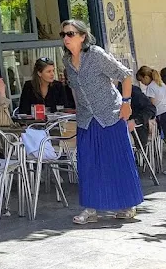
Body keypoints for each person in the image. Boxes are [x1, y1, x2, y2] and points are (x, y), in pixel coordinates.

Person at [59, 19, 143, 224]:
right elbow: (75, 89)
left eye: (70, 34)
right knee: (88, 164)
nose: (66, 38)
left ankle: (128, 205)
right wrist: (78, 110)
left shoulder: (95, 54)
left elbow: (125, 75)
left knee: (117, 160)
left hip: (110, 114)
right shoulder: (66, 61)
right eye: (63, 34)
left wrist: (126, 103)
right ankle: (90, 209)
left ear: (82, 36)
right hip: (86, 119)